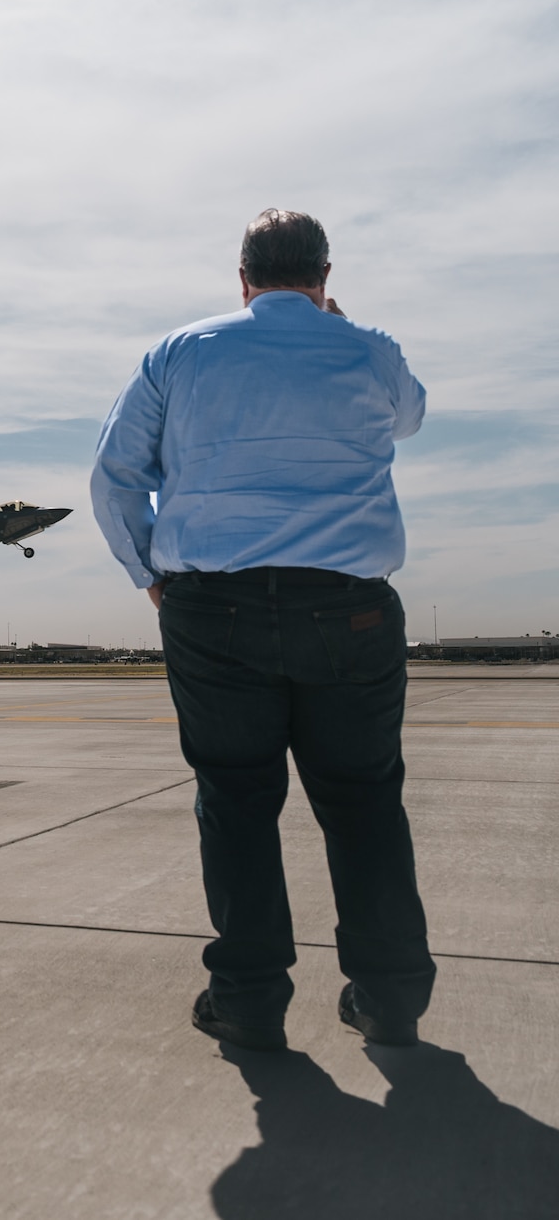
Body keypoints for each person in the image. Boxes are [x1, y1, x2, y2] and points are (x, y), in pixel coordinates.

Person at [90, 209, 435, 1051]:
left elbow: (115, 476)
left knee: (237, 802)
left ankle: (247, 1001)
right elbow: (409, 420)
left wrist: (151, 577)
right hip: (350, 609)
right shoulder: (371, 350)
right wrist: (341, 327)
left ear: (242, 280)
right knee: (364, 802)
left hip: (214, 609)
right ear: (325, 276)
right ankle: (389, 999)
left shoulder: (180, 351)